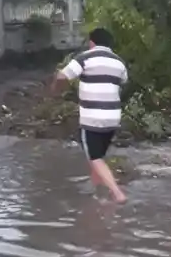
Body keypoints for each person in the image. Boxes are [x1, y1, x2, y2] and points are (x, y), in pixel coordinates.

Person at [52, 27, 128, 203]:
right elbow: (123, 82)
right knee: (98, 157)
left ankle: (117, 193)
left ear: (91, 42)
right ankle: (96, 192)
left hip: (92, 118)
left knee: (94, 157)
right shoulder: (119, 62)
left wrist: (56, 88)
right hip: (112, 117)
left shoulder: (85, 57)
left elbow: (63, 76)